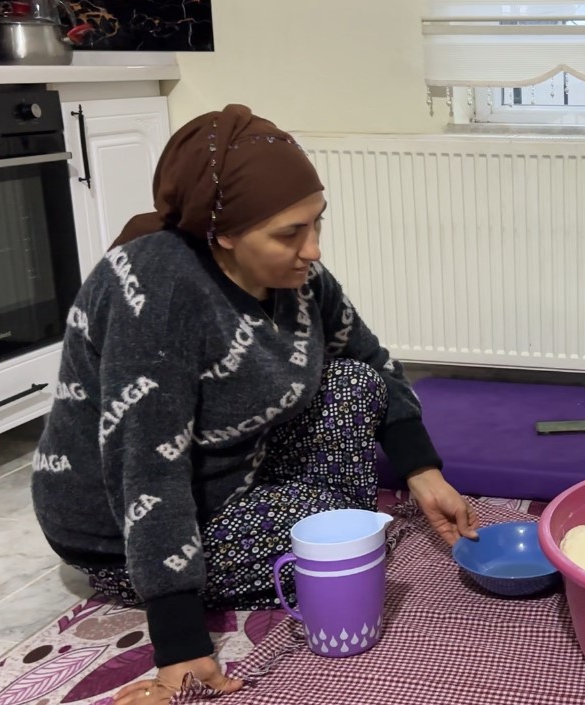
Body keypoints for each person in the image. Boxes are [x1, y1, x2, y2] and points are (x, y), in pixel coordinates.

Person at [30, 104, 478, 704]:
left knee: (352, 386)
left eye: (318, 224)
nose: (313, 249)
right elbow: (147, 473)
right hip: (119, 525)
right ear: (223, 234)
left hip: (232, 468)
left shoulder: (299, 279)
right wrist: (180, 644)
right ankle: (183, 573)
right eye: (290, 233)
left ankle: (317, 520)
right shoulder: (156, 294)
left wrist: (424, 473)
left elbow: (372, 360)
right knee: (340, 545)